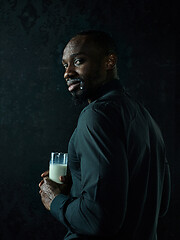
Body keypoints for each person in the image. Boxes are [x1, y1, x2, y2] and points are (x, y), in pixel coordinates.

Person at [39, 30, 171, 240]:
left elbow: (96, 219)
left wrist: (55, 200)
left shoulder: (96, 115)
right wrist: (77, 186)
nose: (67, 73)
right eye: (65, 65)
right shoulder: (147, 119)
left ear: (109, 61)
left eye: (78, 61)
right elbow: (160, 204)